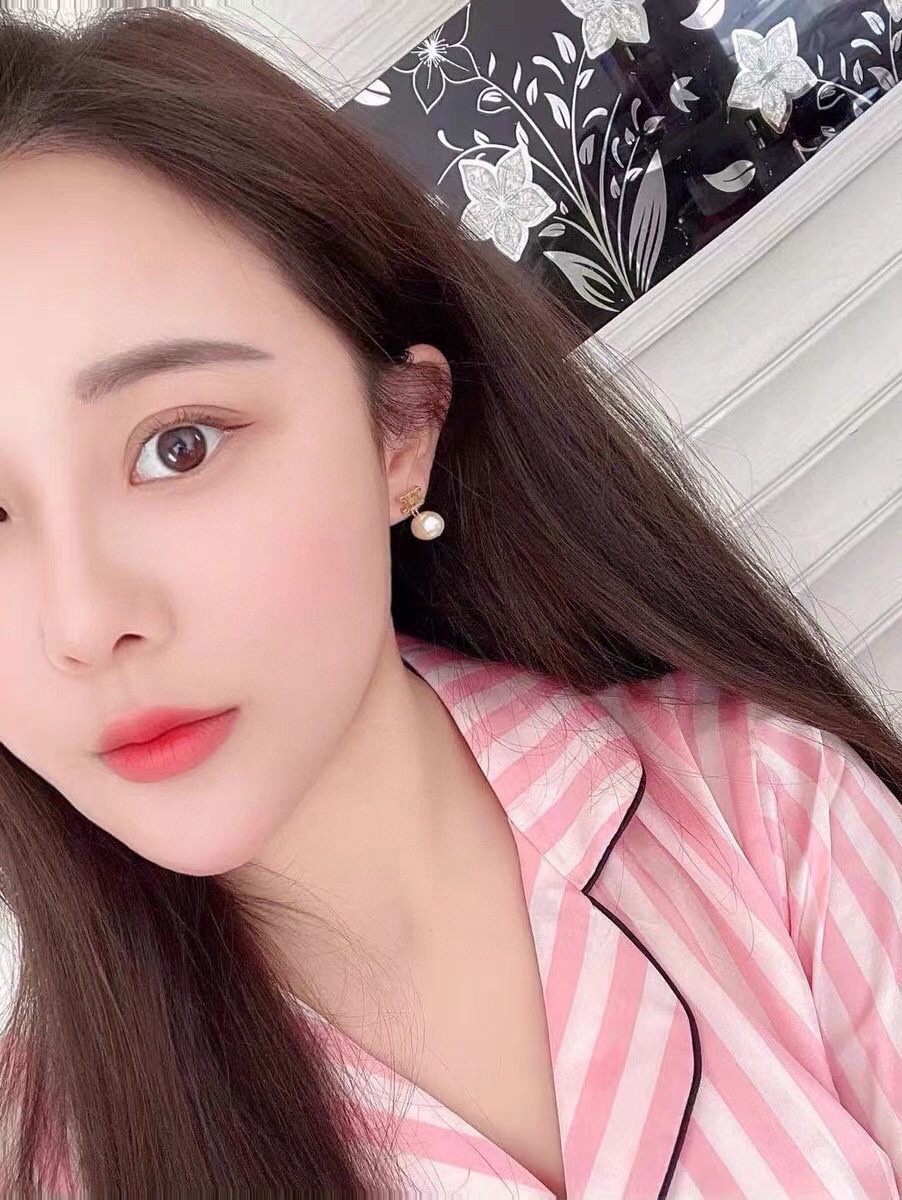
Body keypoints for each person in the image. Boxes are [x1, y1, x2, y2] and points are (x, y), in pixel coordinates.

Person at [0, 7, 898, 1197]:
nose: (83, 623)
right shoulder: (52, 1161)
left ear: (400, 433)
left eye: (179, 445)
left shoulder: (767, 811)